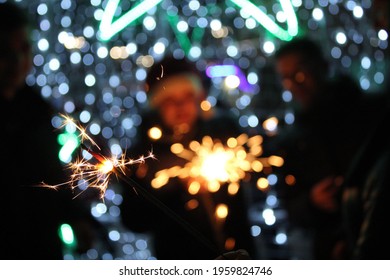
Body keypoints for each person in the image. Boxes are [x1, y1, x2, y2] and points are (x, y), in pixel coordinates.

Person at [120, 55, 256, 260]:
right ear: (157, 105)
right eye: (169, 100)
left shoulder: (223, 134)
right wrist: (179, 191)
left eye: (187, 96)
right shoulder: (143, 156)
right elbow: (134, 220)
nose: (180, 105)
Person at [0, 2, 99, 259]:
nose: (17, 62)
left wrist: (75, 217)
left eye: (24, 49)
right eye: (4, 51)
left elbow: (51, 175)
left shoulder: (36, 111)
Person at [270, 36, 377, 259]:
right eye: (286, 78)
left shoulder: (371, 114)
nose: (294, 84)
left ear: (322, 67)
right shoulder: (293, 139)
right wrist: (313, 201)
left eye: (300, 73)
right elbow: (290, 207)